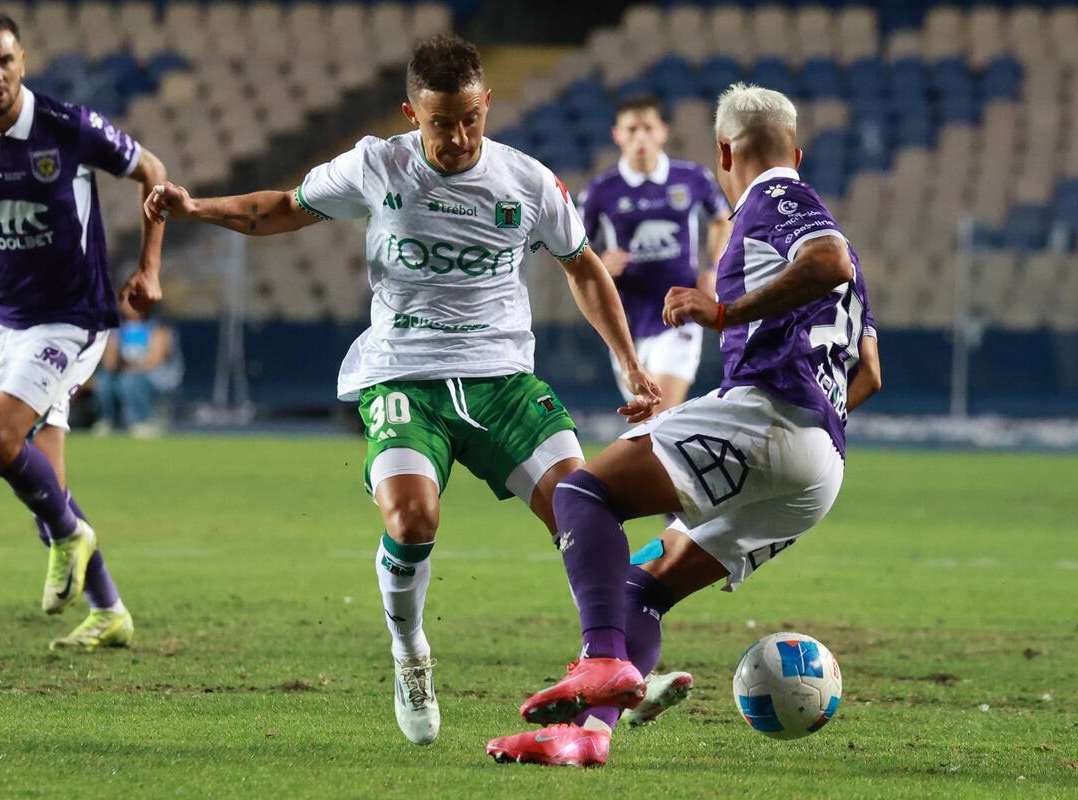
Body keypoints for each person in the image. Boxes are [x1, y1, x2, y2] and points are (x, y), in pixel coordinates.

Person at [146, 34, 659, 746]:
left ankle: (614, 663)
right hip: (401, 375)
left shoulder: (529, 182)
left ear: (487, 104)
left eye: (470, 119)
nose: (456, 137)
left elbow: (584, 268)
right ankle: (410, 651)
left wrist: (629, 365)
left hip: (503, 381)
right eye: (439, 122)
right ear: (410, 113)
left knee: (586, 512)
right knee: (412, 520)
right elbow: (284, 207)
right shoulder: (376, 165)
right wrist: (194, 207)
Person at [487, 83, 883, 767]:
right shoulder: (828, 234)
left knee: (582, 493)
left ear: (724, 151)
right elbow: (870, 373)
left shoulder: (777, 200)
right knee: (644, 587)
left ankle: (602, 660)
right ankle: (589, 735)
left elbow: (827, 262)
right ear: (797, 147)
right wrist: (807, 429)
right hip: (822, 466)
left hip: (769, 416)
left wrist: (725, 314)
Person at [0, 12, 169, 652]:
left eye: (5, 60)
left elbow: (152, 172)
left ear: (23, 63)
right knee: (46, 487)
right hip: (5, 325)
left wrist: (149, 268)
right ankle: (109, 610)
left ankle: (74, 540)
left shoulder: (67, 127)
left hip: (74, 318)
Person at [579, 95, 731, 413]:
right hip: (625, 321)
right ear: (617, 135)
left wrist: (713, 267)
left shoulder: (692, 178)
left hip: (678, 313)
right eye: (631, 129)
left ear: (662, 131)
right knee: (649, 422)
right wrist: (600, 265)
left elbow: (722, 221)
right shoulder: (599, 192)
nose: (640, 136)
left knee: (657, 409)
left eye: (647, 127)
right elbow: (574, 250)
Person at [93, 301, 182, 438]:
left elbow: (155, 359)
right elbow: (109, 363)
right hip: (125, 373)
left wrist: (133, 368)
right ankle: (109, 421)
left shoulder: (159, 327)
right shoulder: (117, 329)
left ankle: (143, 421)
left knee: (130, 381)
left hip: (155, 376)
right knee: (104, 380)